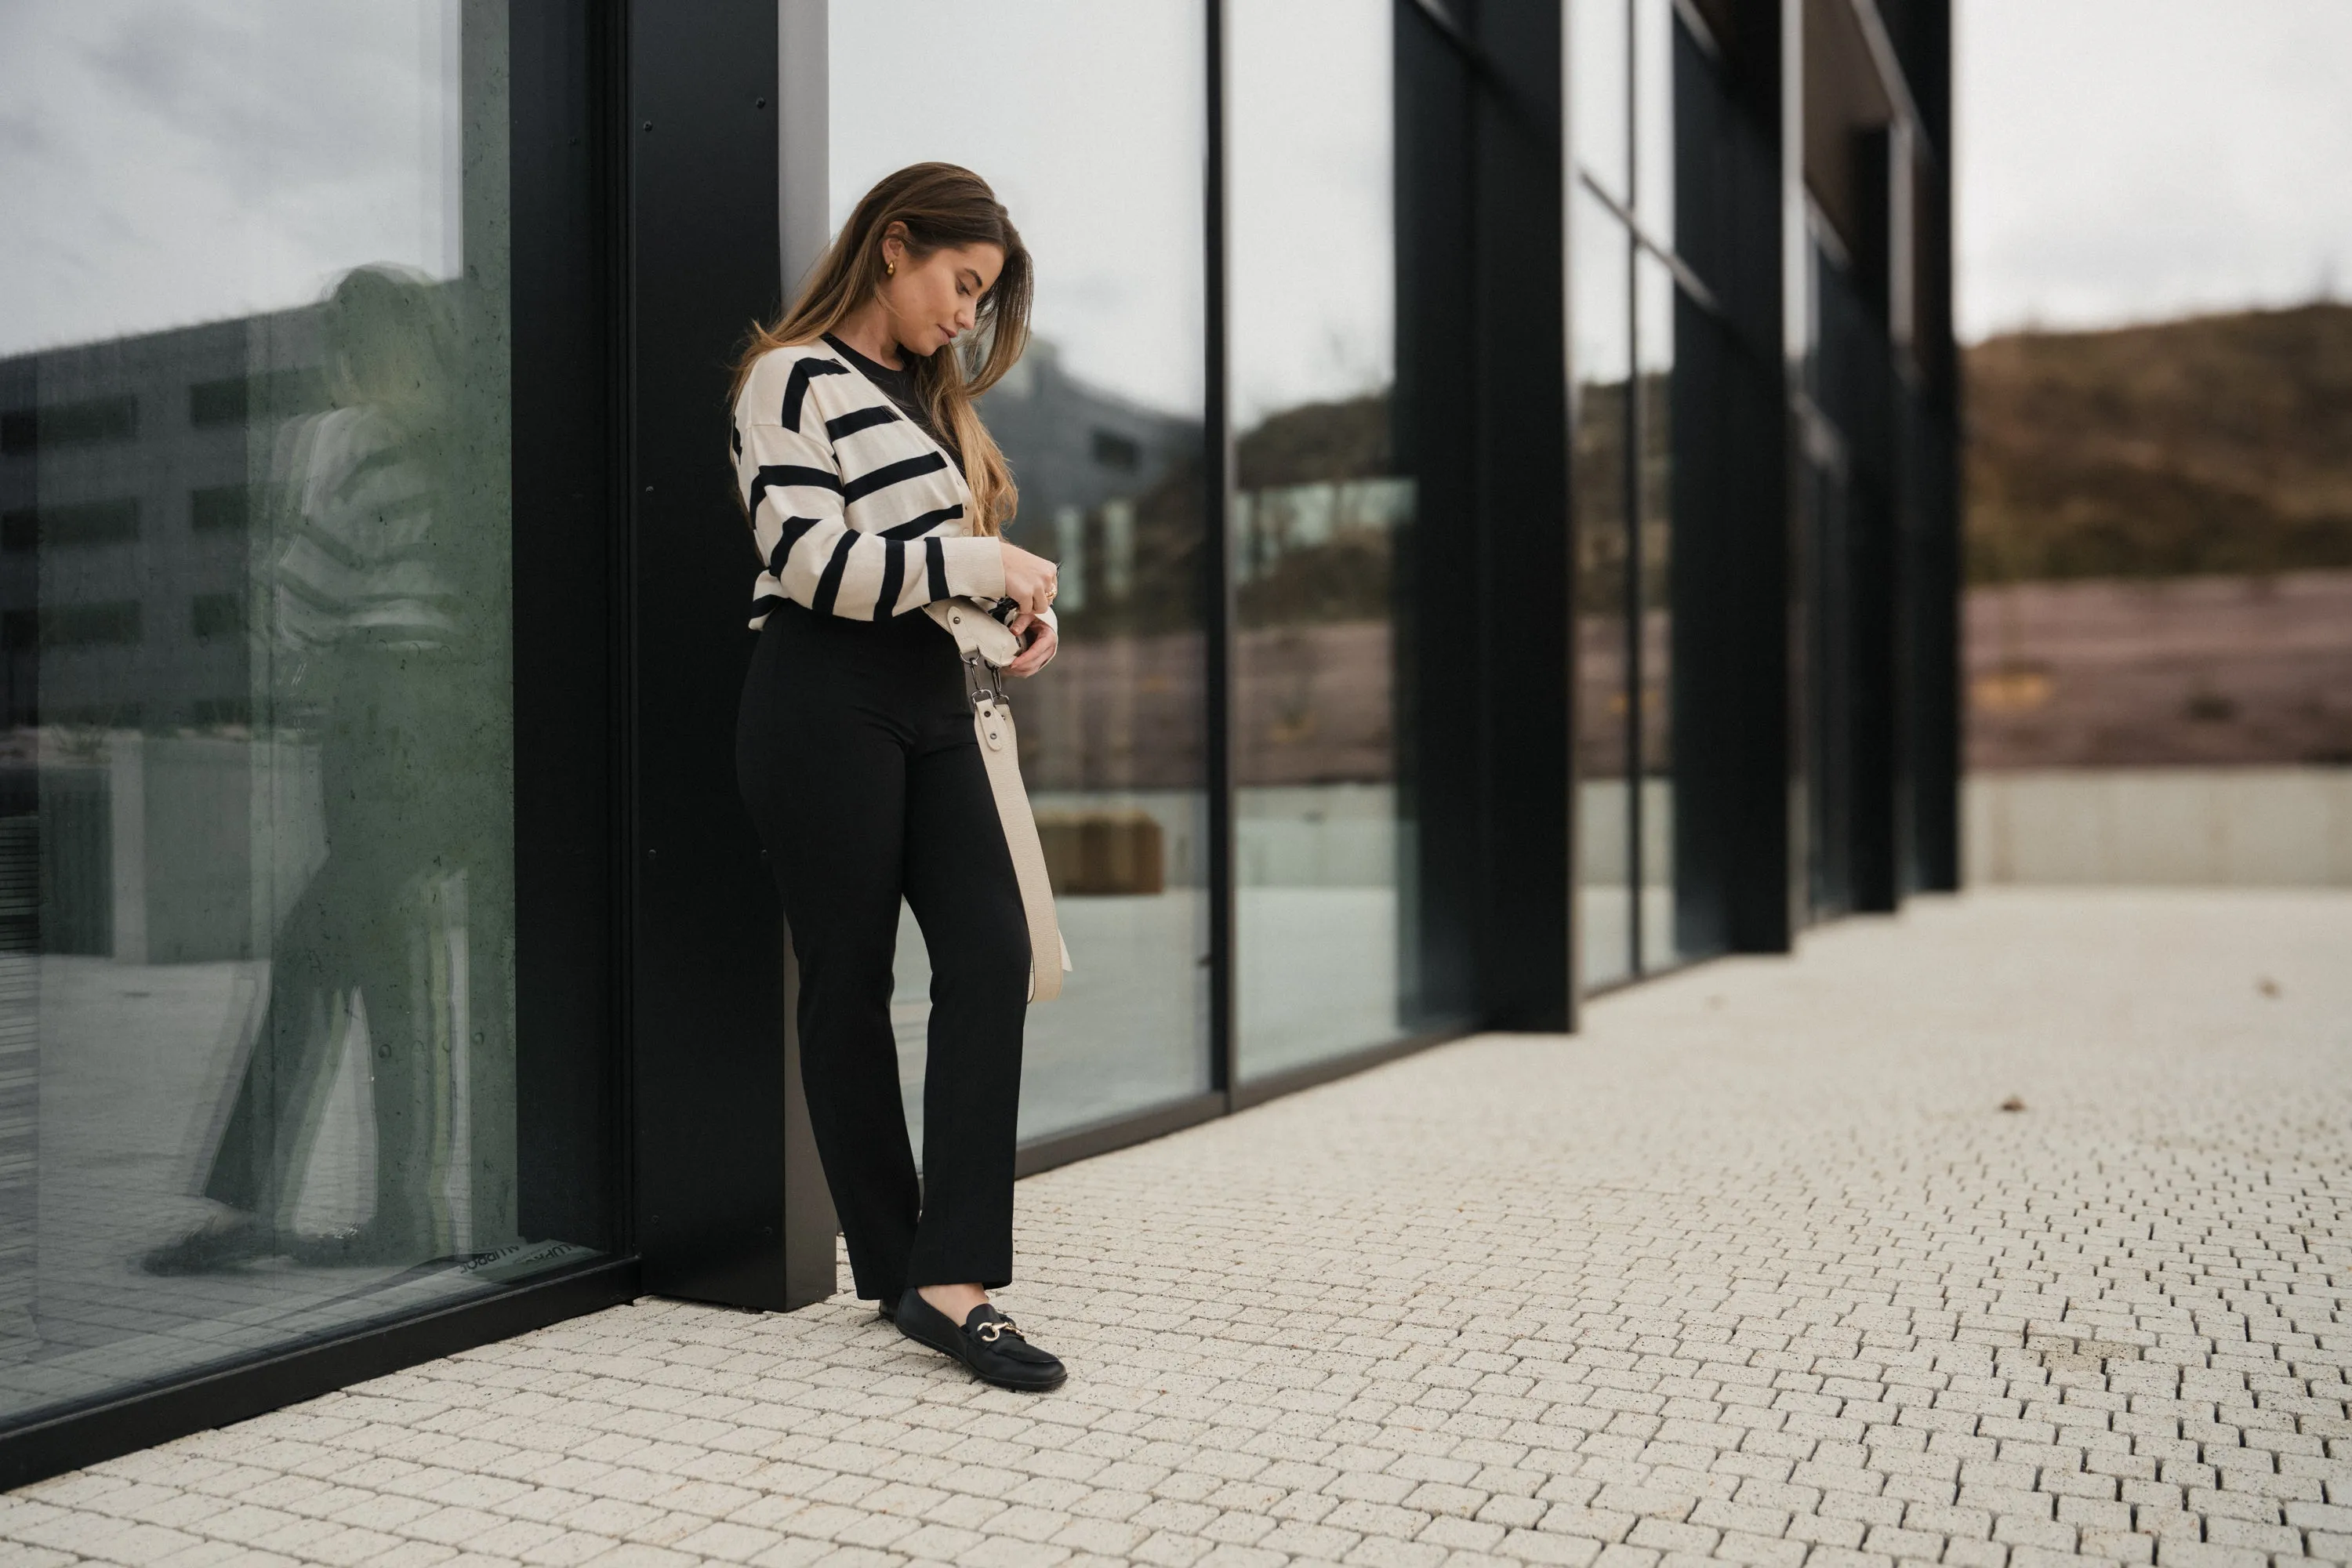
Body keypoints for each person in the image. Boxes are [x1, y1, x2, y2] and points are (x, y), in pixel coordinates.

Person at [729, 163, 1068, 1392]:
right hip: (824, 692)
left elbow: (939, 571)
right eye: (961, 283)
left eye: (982, 300)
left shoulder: (934, 413)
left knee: (992, 953)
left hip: (938, 695)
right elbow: (812, 559)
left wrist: (1020, 612)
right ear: (895, 245)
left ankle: (950, 1264)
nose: (966, 318)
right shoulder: (791, 376)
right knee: (852, 978)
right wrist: (979, 555)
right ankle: (909, 1274)